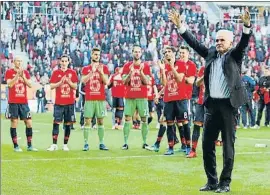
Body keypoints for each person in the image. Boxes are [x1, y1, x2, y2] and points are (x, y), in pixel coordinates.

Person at [169, 9, 252, 193]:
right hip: (212, 105)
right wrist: (180, 27)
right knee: (207, 145)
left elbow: (244, 43)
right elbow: (194, 43)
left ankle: (225, 183)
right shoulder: (211, 54)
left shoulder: (235, 55)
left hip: (228, 106)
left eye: (222, 40)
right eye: (216, 40)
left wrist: (246, 26)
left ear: (230, 42)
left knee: (228, 147)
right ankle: (212, 182)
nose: (218, 43)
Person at [158, 46, 190, 155]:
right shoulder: (164, 67)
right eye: (165, 52)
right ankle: (170, 148)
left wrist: (171, 66)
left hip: (180, 98)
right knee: (170, 123)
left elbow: (180, 79)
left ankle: (188, 147)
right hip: (169, 99)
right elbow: (164, 84)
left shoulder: (180, 64)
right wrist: (162, 70)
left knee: (184, 122)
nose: (167, 53)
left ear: (174, 53)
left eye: (169, 51)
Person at [5, 57, 38, 152]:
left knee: (29, 123)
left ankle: (30, 145)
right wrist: (16, 76)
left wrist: (23, 76)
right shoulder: (9, 72)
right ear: (13, 62)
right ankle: (16, 146)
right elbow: (10, 85)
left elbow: (30, 85)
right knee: (14, 123)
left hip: (23, 102)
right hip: (13, 102)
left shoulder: (26, 73)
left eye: (20, 61)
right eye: (17, 61)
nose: (19, 62)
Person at [121, 45, 151, 150]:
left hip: (142, 97)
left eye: (139, 51)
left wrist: (141, 72)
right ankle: (125, 142)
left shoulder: (145, 66)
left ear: (141, 53)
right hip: (130, 97)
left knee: (144, 119)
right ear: (132, 53)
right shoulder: (127, 66)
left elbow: (147, 82)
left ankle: (145, 142)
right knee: (127, 118)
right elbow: (124, 81)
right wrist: (130, 72)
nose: (137, 53)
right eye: (135, 51)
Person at [47, 54, 78, 151]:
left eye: (66, 61)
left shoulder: (72, 73)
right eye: (62, 61)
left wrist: (69, 82)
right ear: (60, 62)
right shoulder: (56, 73)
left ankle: (65, 144)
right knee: (56, 123)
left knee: (68, 124)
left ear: (68, 62)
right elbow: (51, 86)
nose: (64, 63)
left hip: (69, 103)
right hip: (59, 103)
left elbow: (75, 86)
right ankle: (54, 144)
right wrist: (59, 83)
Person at [81, 48, 109, 151]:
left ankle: (101, 143)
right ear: (91, 55)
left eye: (98, 54)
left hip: (100, 99)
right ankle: (86, 143)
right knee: (87, 121)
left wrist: (101, 73)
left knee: (100, 121)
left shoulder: (104, 68)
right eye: (95, 54)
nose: (97, 56)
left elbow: (106, 82)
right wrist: (91, 73)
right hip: (89, 98)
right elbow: (83, 81)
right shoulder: (86, 68)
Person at [176, 45, 196, 155]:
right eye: (180, 52)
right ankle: (183, 144)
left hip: (185, 96)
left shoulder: (191, 65)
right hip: (175, 96)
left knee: (185, 120)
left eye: (183, 53)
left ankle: (189, 145)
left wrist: (180, 77)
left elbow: (191, 81)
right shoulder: (177, 63)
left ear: (188, 54)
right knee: (178, 122)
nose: (181, 55)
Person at [187, 65, 205, 158]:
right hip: (201, 102)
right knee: (196, 125)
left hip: (214, 103)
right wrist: (204, 76)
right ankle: (193, 150)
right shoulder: (203, 68)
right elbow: (197, 83)